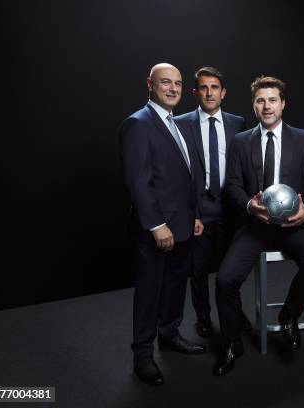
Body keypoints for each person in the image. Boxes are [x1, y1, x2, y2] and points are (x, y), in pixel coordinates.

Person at [213, 76, 304, 376]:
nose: (267, 106)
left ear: (283, 103)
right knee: (225, 281)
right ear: (254, 105)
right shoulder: (241, 141)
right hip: (256, 226)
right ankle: (229, 342)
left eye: (272, 100)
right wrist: (250, 205)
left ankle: (289, 314)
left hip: (293, 225)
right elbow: (233, 186)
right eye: (261, 100)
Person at [119, 63, 206, 386]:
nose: (172, 89)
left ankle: (169, 335)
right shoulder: (138, 124)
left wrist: (193, 215)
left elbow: (183, 178)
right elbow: (139, 181)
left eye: (178, 84)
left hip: (183, 225)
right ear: (149, 84)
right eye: (165, 82)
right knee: (149, 291)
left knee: (173, 286)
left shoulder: (177, 124)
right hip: (156, 229)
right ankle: (143, 355)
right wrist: (156, 225)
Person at [175, 67, 249, 338]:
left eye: (214, 87)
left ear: (223, 92)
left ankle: (235, 312)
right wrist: (190, 211)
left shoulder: (237, 123)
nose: (209, 92)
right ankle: (203, 315)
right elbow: (179, 173)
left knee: (231, 267)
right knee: (199, 268)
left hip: (229, 207)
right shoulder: (181, 123)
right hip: (199, 208)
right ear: (195, 92)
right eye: (203, 87)